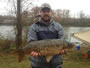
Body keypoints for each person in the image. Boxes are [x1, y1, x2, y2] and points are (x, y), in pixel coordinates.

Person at [27, 3, 66, 68]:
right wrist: (34, 51)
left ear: (51, 13)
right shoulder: (34, 27)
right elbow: (32, 42)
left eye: (48, 11)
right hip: (38, 64)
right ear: (40, 13)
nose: (46, 13)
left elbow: (62, 41)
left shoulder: (59, 27)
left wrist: (63, 50)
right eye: (43, 11)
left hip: (56, 64)